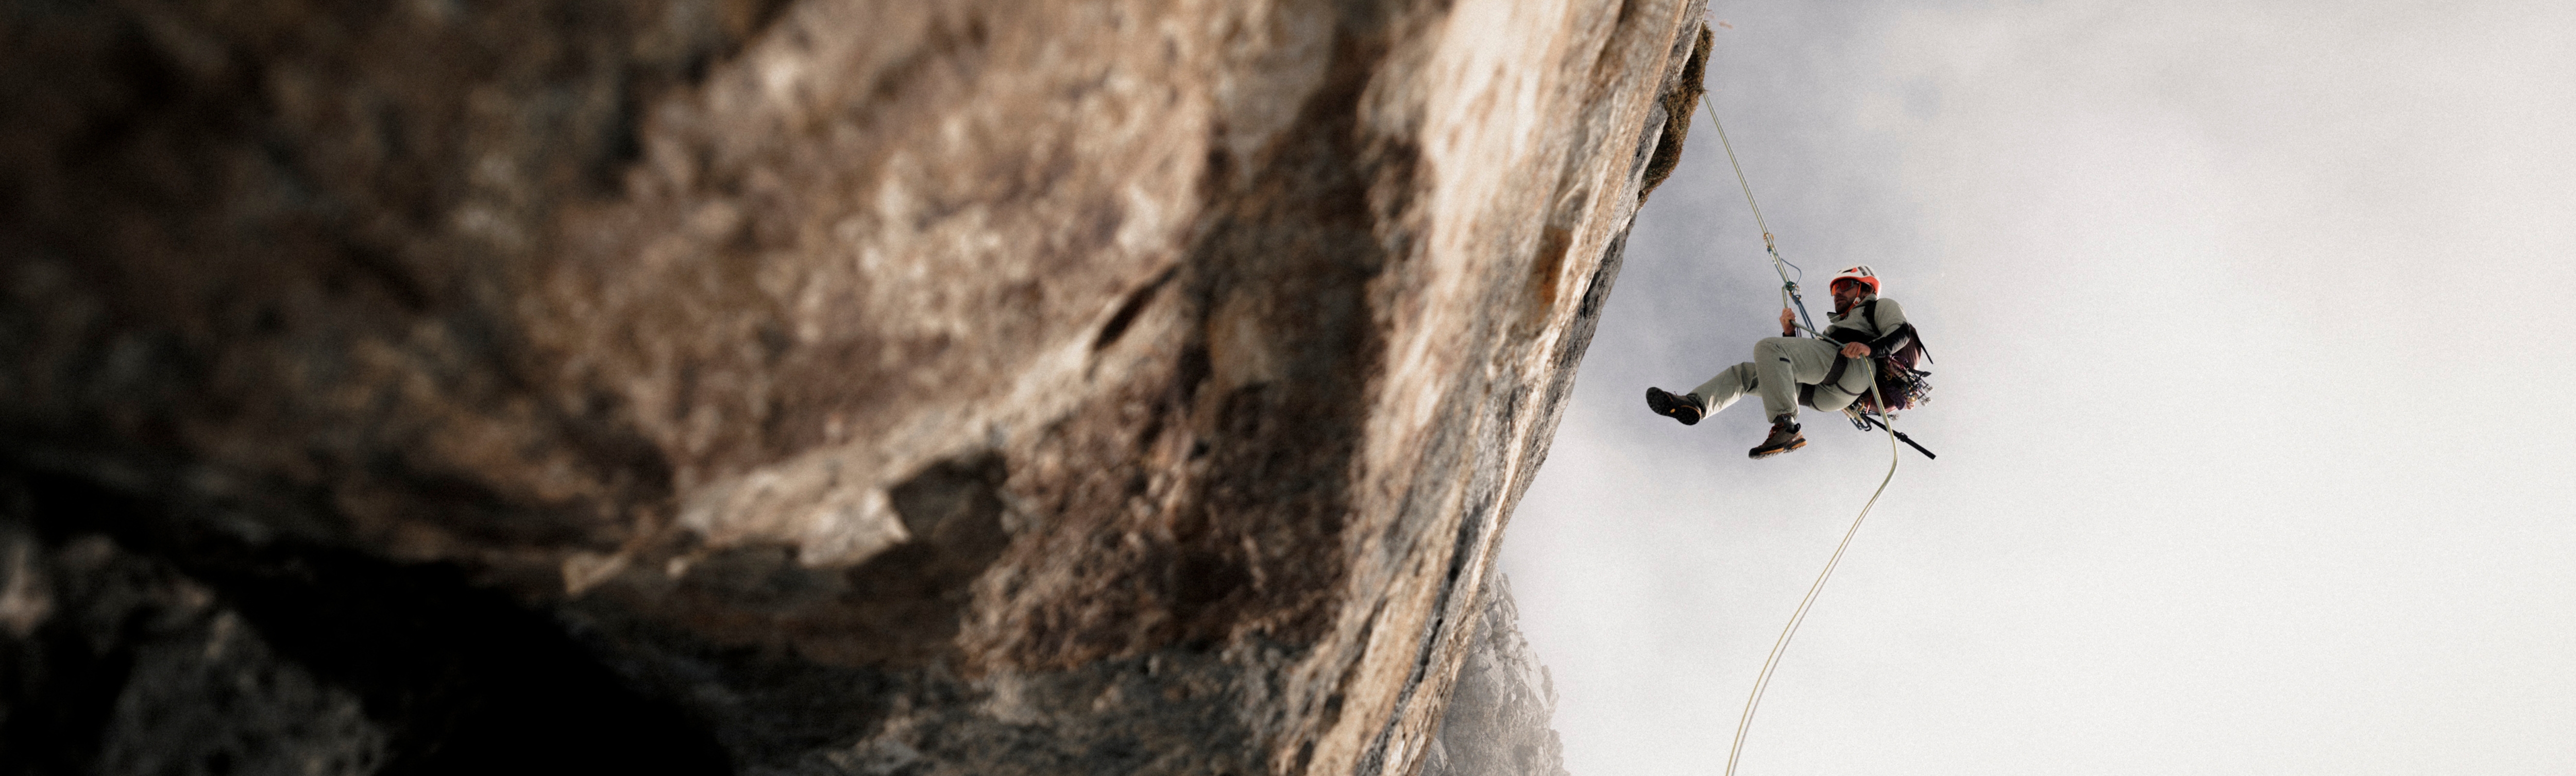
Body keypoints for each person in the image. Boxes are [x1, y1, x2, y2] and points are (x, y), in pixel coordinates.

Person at [1644, 266, 1914, 459]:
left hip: (1854, 369)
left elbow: (1902, 332)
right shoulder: (1840, 325)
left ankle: (1787, 427)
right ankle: (1696, 403)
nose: (1837, 293)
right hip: (1829, 395)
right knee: (1746, 374)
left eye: (1844, 286)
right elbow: (1796, 365)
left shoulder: (1879, 306)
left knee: (1767, 348)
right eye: (1834, 289)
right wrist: (1789, 334)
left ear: (1865, 288)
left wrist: (1868, 347)